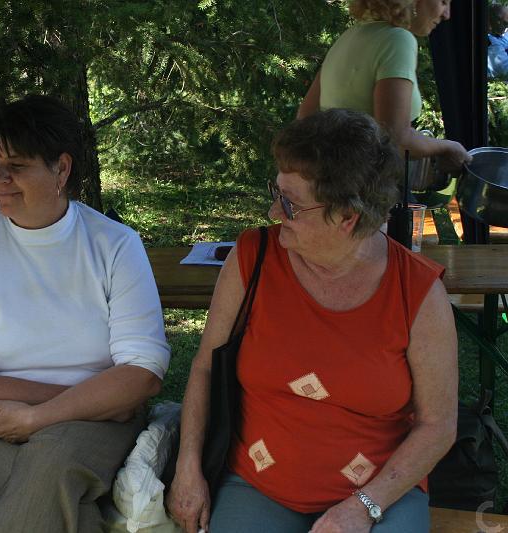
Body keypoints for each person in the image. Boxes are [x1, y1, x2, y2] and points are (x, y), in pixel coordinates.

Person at [166, 109, 457, 533]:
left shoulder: (417, 291)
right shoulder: (253, 259)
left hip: (380, 494)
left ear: (346, 217)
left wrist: (363, 508)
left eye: (291, 204)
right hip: (258, 485)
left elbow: (438, 425)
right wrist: (188, 468)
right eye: (277, 192)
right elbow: (206, 366)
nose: (274, 212)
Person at [0, 94, 170, 533]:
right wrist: (93, 396)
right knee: (56, 498)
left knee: (49, 465)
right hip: (0, 423)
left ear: (61, 169)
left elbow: (142, 375)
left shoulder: (115, 246)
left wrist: (39, 416)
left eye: (16, 166)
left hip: (95, 426)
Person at [297, 0, 470, 174]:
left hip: (333, 180)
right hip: (364, 183)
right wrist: (448, 147)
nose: (447, 14)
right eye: (443, 2)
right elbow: (396, 139)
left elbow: (305, 117)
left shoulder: (348, 36)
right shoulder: (398, 39)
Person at [487, 3, 508, 79]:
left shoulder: (499, 36)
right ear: (498, 21)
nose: (507, 27)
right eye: (506, 23)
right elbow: (505, 70)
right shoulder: (492, 43)